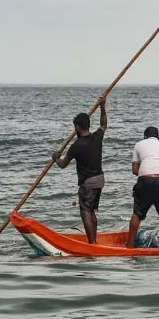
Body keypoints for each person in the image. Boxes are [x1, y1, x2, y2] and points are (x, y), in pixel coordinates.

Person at [52, 98, 107, 244]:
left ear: (77, 127)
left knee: (85, 212)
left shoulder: (77, 145)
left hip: (88, 183)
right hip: (100, 180)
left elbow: (63, 164)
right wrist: (102, 107)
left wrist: (56, 158)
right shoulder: (97, 137)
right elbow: (103, 124)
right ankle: (94, 240)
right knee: (92, 211)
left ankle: (92, 243)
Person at [126, 126, 159, 248]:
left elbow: (135, 170)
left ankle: (130, 246)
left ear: (145, 137)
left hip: (145, 181)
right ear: (158, 137)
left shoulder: (139, 144)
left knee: (137, 214)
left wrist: (148, 175)